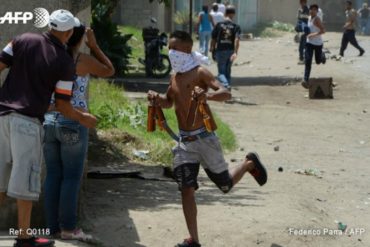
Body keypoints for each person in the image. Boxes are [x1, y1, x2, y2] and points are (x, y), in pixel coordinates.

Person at [147, 30, 267, 247]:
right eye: (169, 49)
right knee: (186, 188)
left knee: (225, 186)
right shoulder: (174, 77)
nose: (171, 53)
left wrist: (208, 95)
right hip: (184, 142)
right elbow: (168, 101)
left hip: (204, 138)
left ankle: (249, 163)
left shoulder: (200, 72)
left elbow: (226, 93)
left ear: (186, 50)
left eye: (174, 49)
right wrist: (157, 99)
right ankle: (194, 240)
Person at [0, 9, 96, 247]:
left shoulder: (22, 39)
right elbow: (63, 105)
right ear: (69, 32)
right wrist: (83, 118)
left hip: (2, 117)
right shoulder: (64, 62)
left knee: (0, 181)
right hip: (28, 123)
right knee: (26, 181)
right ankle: (24, 238)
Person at [43, 23, 114, 241]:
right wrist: (95, 46)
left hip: (49, 120)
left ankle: (52, 227)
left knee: (53, 174)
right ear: (80, 37)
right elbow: (109, 70)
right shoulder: (81, 60)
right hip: (73, 120)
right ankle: (69, 228)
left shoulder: (50, 55)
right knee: (71, 177)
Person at [210, 5, 241, 89]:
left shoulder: (219, 25)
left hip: (220, 51)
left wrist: (212, 49)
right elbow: (237, 40)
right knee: (228, 71)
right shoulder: (236, 26)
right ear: (233, 14)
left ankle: (226, 86)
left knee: (221, 73)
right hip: (231, 51)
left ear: (225, 13)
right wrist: (235, 52)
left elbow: (213, 39)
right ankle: (227, 90)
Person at [302, 4, 326, 89]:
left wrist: (312, 34)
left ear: (317, 11)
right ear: (310, 10)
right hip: (309, 43)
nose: (313, 11)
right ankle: (306, 80)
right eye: (312, 9)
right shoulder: (309, 18)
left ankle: (322, 56)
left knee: (318, 61)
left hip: (318, 44)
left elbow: (323, 31)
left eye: (315, 10)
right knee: (308, 61)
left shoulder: (317, 19)